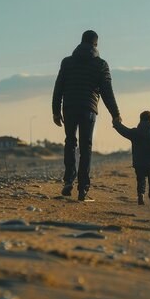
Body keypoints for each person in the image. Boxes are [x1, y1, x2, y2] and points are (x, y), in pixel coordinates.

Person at [52, 30, 122, 202]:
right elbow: (107, 92)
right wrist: (116, 114)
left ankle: (68, 180)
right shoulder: (101, 64)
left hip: (69, 107)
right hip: (88, 109)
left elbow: (58, 87)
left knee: (70, 142)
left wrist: (55, 110)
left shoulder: (67, 62)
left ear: (81, 42)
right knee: (86, 147)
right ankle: (83, 189)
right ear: (96, 44)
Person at [112, 111, 150, 205]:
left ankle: (141, 195)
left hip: (139, 163)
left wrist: (116, 123)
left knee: (141, 180)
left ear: (140, 120)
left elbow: (123, 130)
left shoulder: (134, 133)